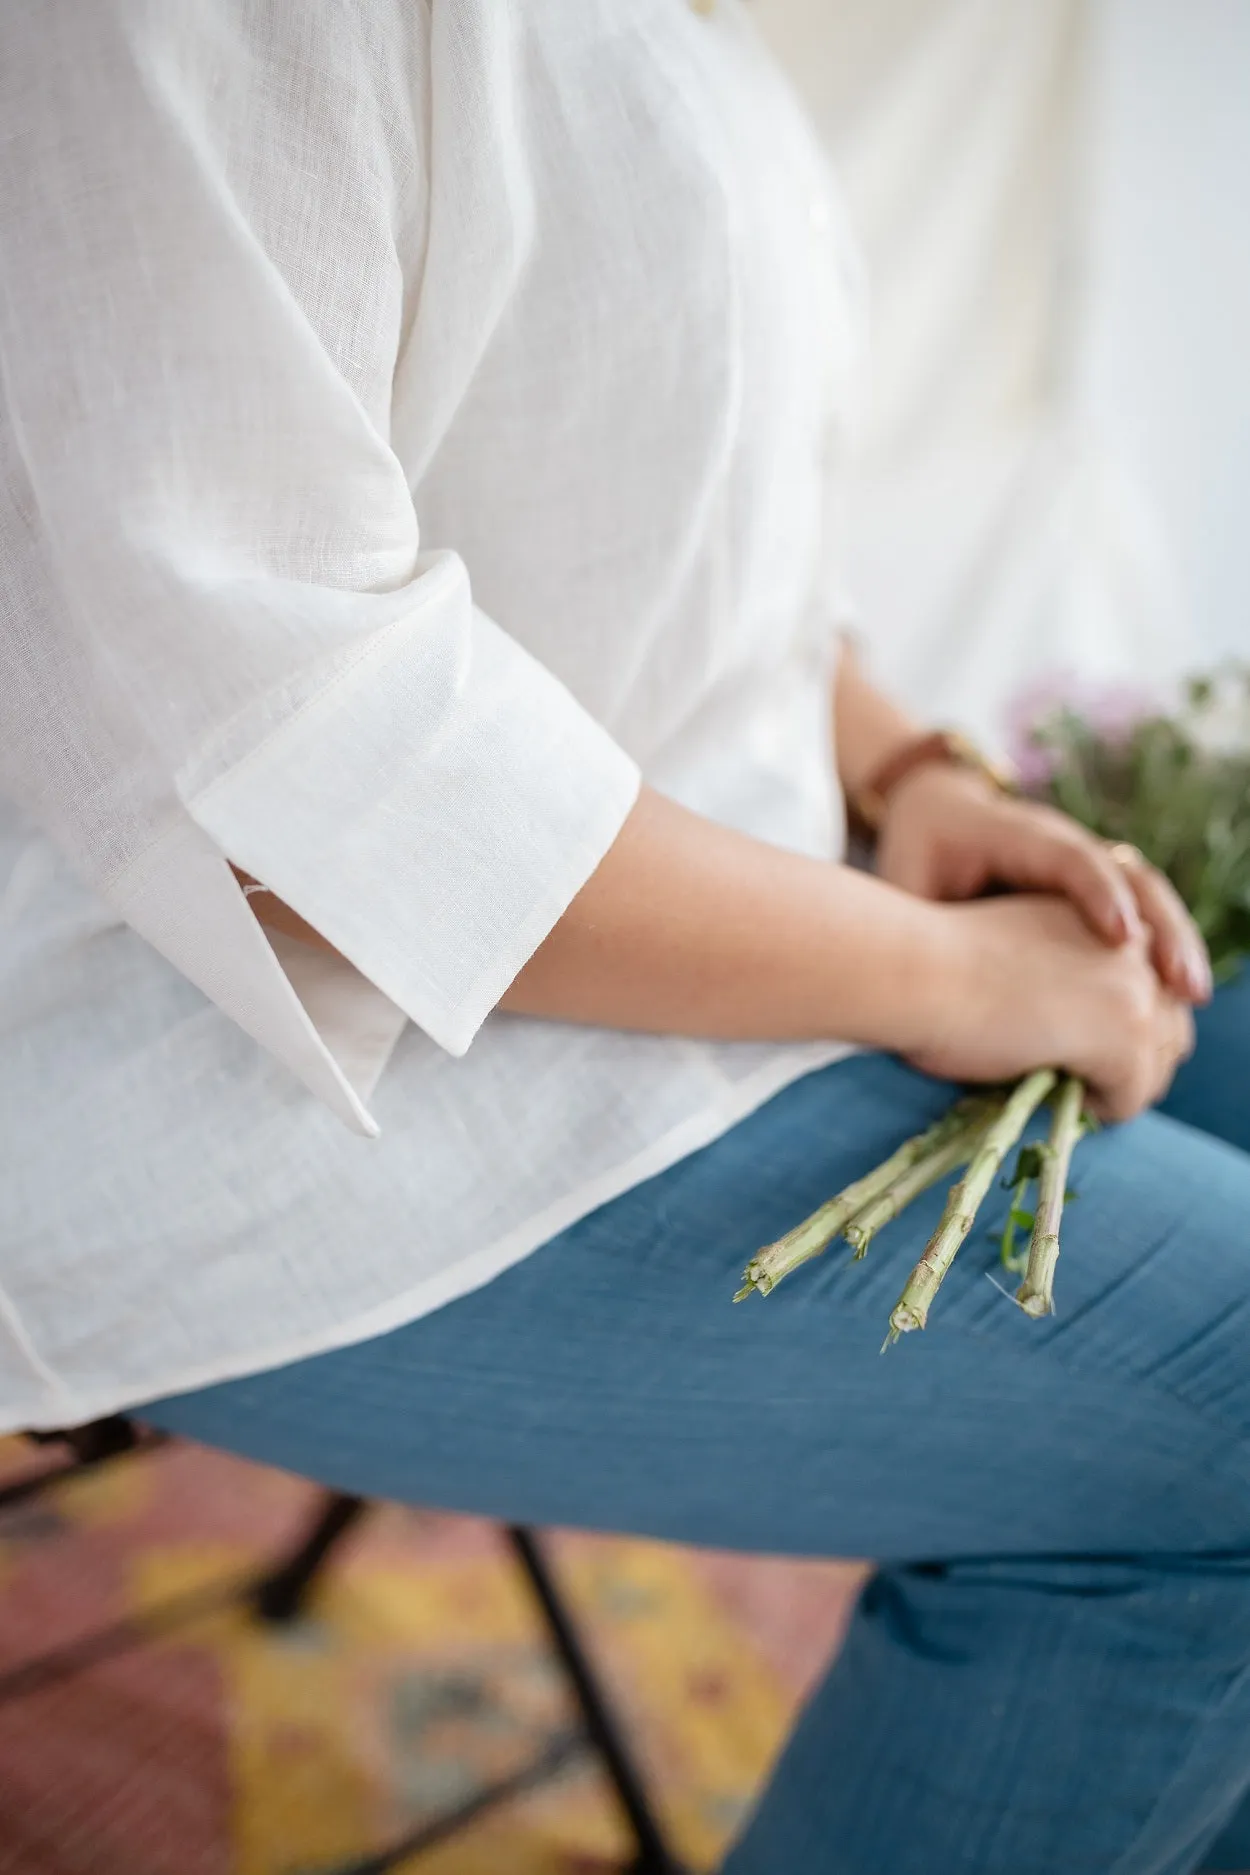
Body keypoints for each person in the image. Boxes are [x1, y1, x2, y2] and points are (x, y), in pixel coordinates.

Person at [2, 5, 1248, 1871]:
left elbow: (704, 582)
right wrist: (948, 976)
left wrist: (908, 769)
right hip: (253, 1089)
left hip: (682, 936)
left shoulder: (697, 44)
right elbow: (293, 749)